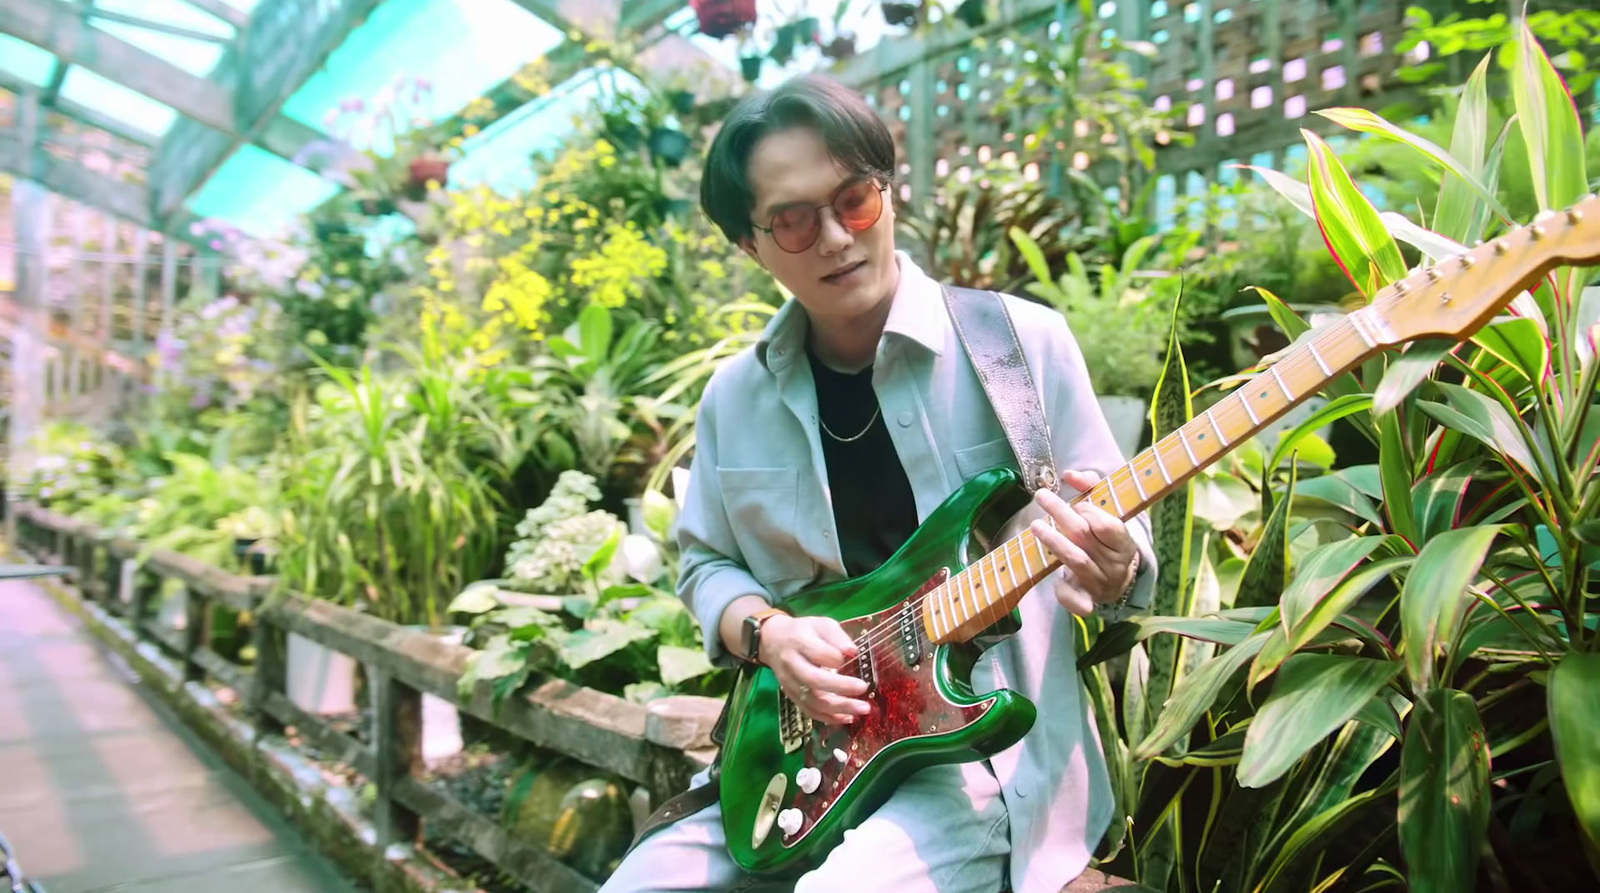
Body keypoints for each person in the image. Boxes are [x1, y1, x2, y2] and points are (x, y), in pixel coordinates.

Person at [599, 73, 1156, 893]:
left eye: (853, 199)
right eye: (791, 220)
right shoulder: (733, 399)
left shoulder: (1019, 344)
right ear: (751, 245)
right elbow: (703, 565)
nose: (833, 238)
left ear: (887, 195)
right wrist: (770, 635)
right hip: (804, 750)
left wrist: (1116, 565)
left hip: (978, 757)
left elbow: (1117, 530)